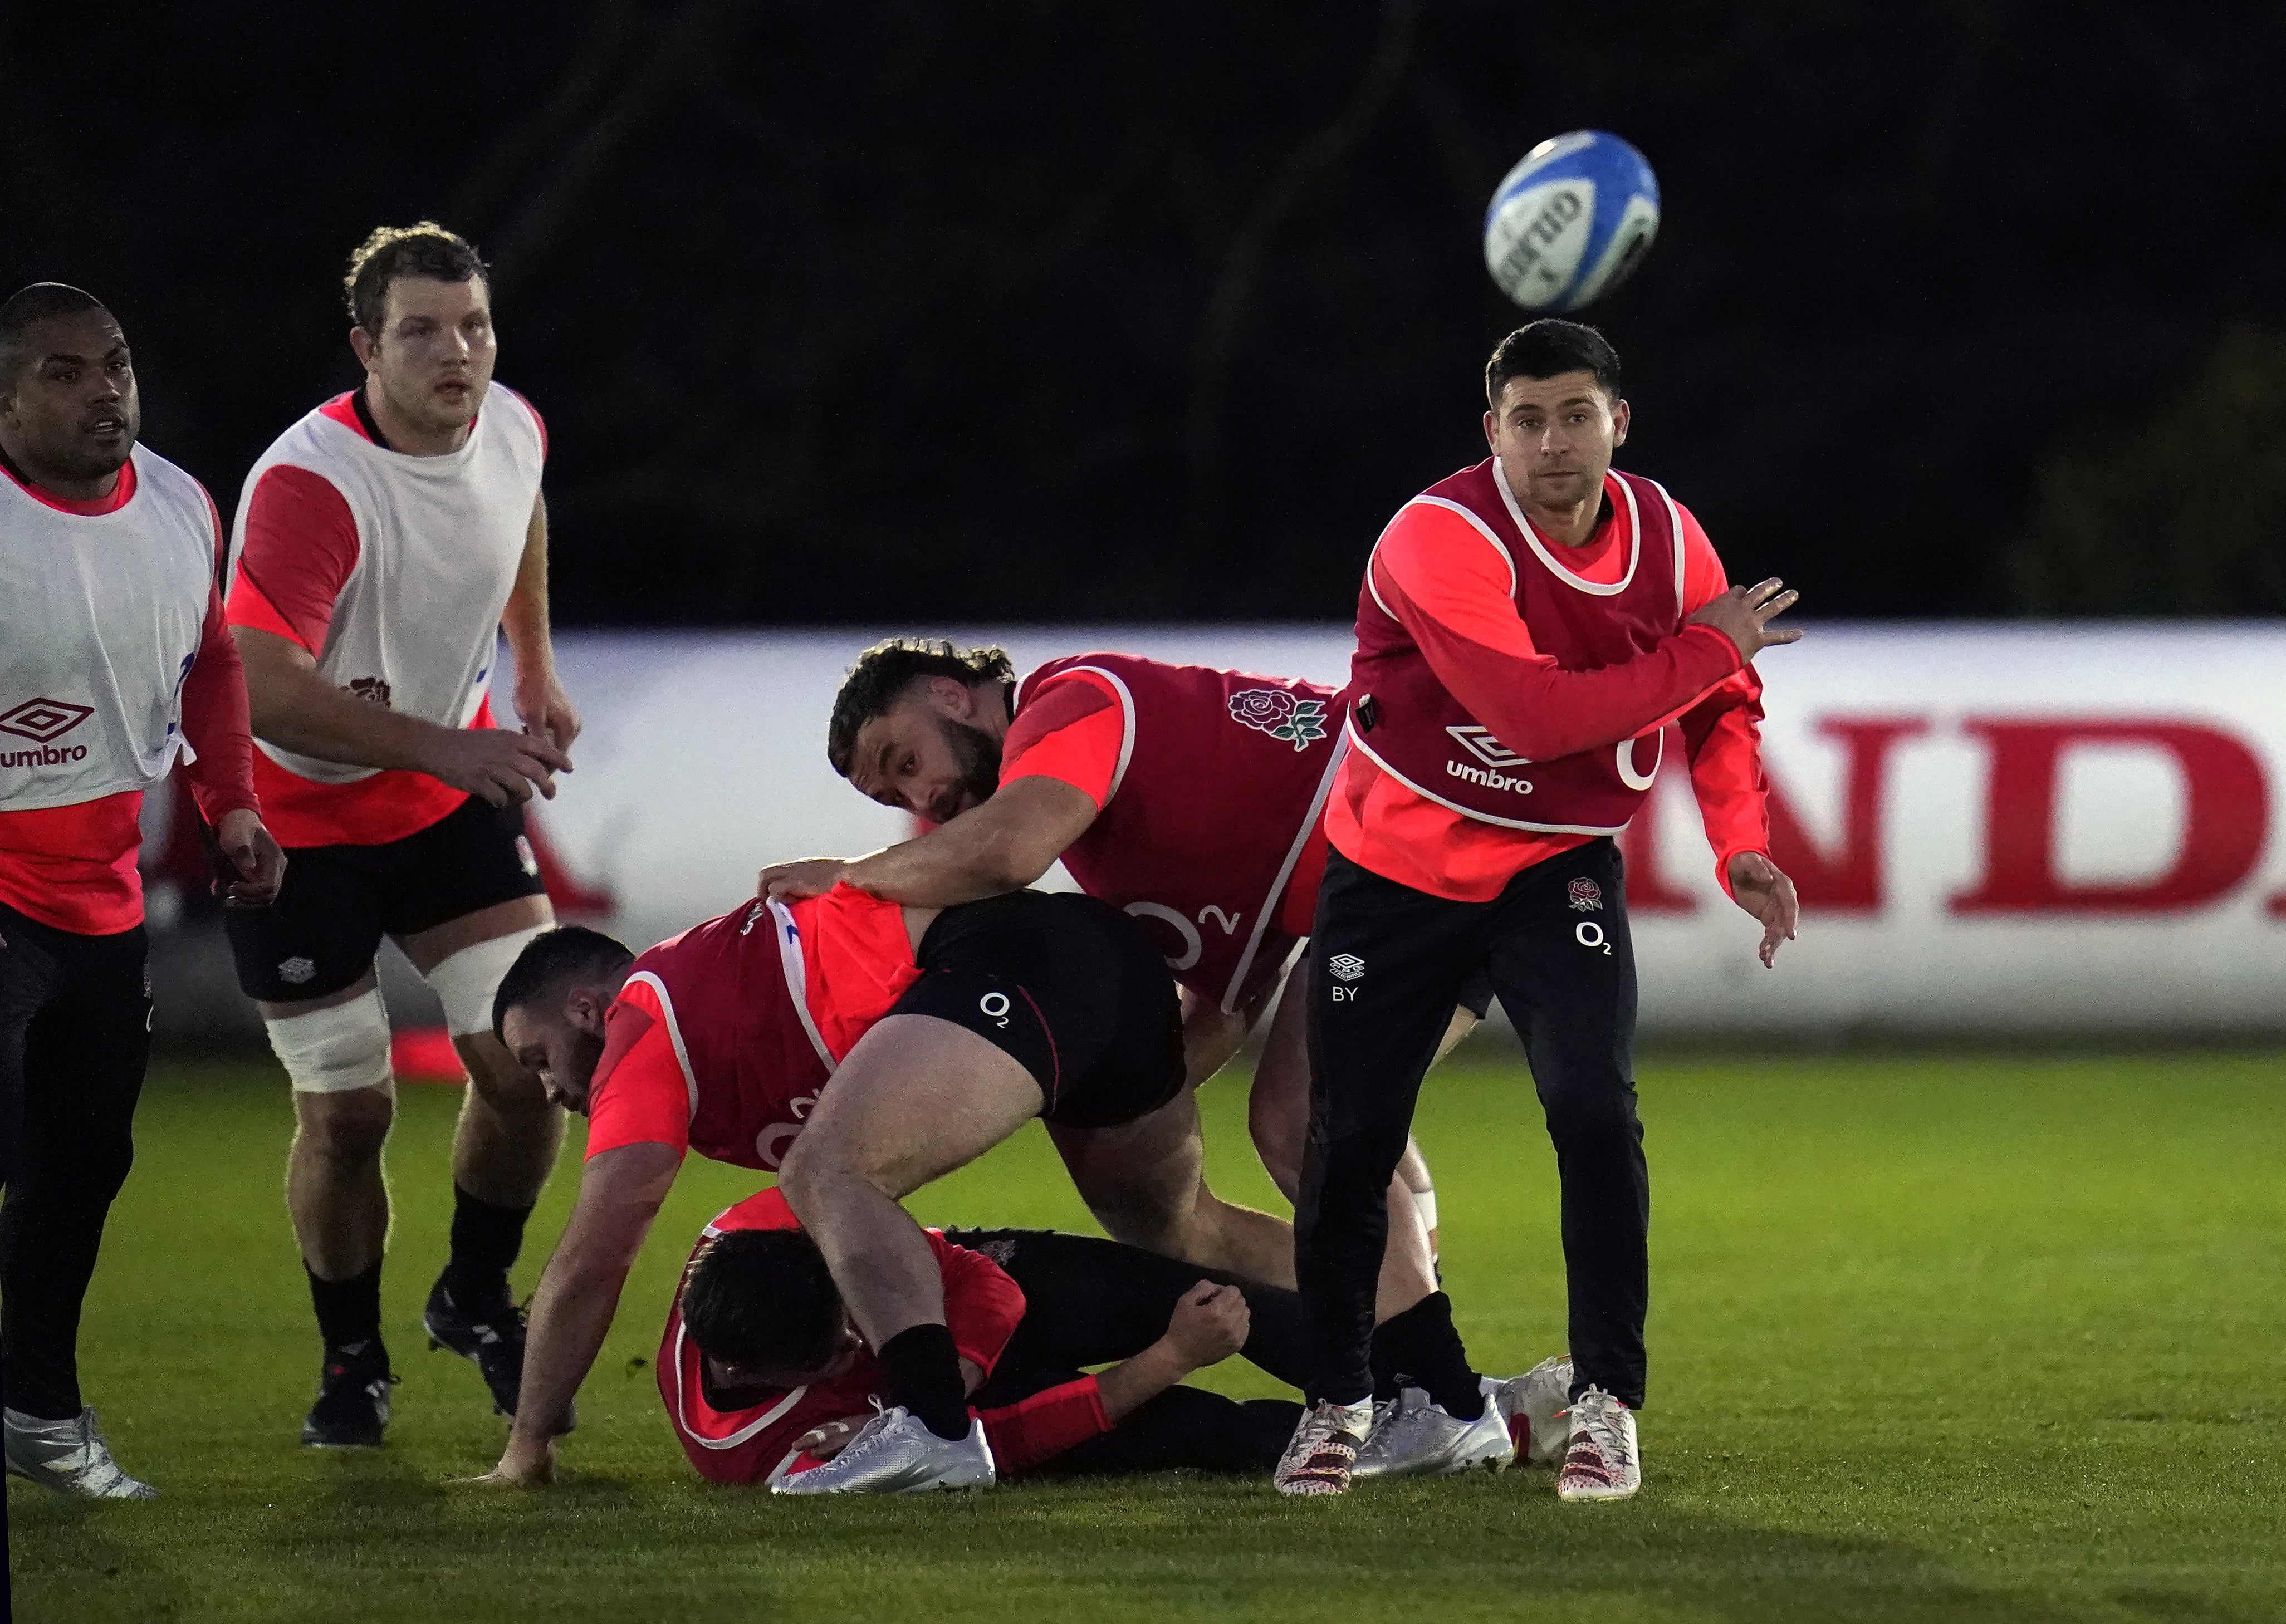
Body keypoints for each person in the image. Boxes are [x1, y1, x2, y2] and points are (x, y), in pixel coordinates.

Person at [761, 642, 1508, 1477]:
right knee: (1297, 1118)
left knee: (1304, 1117)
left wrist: (852, 878)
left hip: (1433, 834)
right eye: (893, 795)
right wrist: (1055, 1086)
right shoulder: (1113, 835)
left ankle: (1442, 1400)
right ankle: (1439, 1380)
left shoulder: (1073, 698)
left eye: (906, 762)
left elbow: (1007, 852)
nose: (922, 797)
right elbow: (1222, 1008)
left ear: (954, 696)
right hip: (1402, 867)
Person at [1277, 320, 1802, 1500]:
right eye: (1526, 418)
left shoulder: (1667, 537)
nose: (1551, 442)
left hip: (1551, 864)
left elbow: (1724, 706)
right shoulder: (1439, 535)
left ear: (1620, 420)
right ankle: (1341, 1400)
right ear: (1491, 432)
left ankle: (1606, 1403)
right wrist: (1706, 649)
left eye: (1574, 414)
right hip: (1395, 873)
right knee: (1349, 1136)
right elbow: (1538, 721)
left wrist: (1740, 846)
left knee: (1592, 1111)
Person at [473, 881, 1207, 1493]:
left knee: (825, 1176)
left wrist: (529, 1441)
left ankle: (933, 1425)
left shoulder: (640, 1027)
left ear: (584, 1008)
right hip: (1079, 964)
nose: (545, 1088)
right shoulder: (708, 1002)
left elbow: (593, 1259)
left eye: (539, 1057)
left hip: (1032, 972)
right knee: (1188, 1237)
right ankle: (1325, 1384)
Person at [223, 223, 580, 1447]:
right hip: (294, 831)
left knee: (537, 1065)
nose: (457, 352)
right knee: (349, 1115)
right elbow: (259, 687)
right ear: (366, 347)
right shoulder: (311, 486)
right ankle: (351, 1360)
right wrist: (455, 744)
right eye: (423, 330)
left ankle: (472, 1295)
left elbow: (517, 514)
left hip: (440, 807)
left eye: (473, 325)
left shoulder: (513, 425)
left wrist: (531, 670)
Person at [0, 283, 285, 1498]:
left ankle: (37, 1411)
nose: (104, 386)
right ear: (7, 396)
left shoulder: (178, 500)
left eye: (114, 361)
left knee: (84, 1163)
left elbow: (214, 652)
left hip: (103, 901)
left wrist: (230, 801)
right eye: (65, 371)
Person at [660, 1186, 1327, 1489]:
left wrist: (936, 1391)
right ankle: (1360, 1442)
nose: (864, 1343)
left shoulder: (780, 1217)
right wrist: (1167, 1360)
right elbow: (997, 1443)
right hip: (992, 1406)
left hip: (964, 1316)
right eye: (834, 1355)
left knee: (1203, 1293)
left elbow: (981, 1280)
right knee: (1219, 1435)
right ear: (747, 1372)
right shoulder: (763, 1457)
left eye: (855, 1311)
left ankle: (1411, 1389)